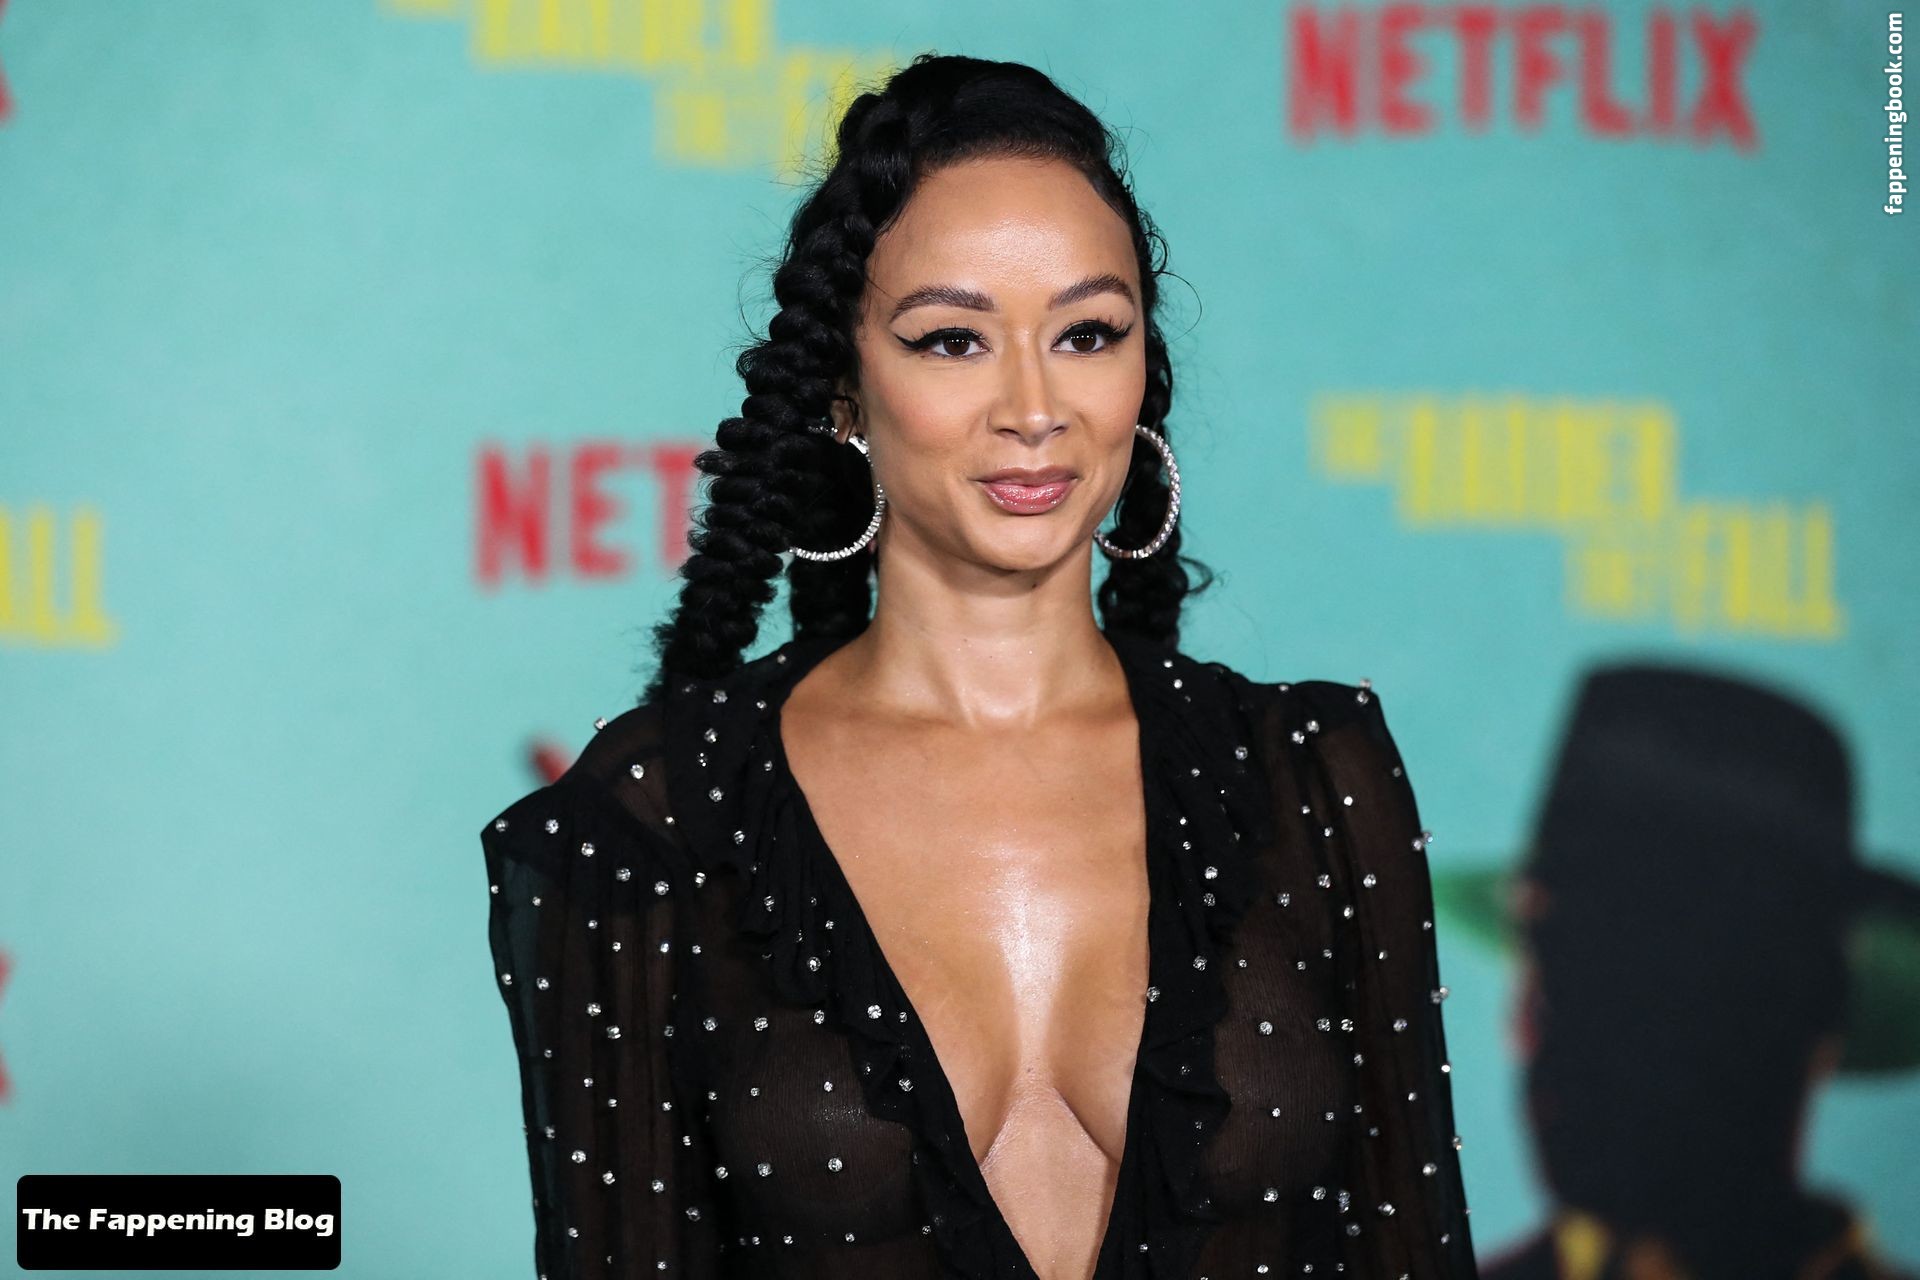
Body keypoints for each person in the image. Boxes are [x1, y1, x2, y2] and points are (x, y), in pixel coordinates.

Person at [480, 52, 1479, 1280]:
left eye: (1088, 333)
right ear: (844, 391)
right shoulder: (652, 813)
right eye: (953, 339)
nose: (1033, 405)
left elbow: (1412, 1242)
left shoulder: (1316, 775)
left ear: (1144, 372)